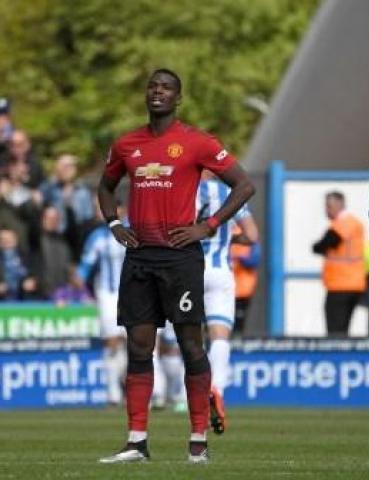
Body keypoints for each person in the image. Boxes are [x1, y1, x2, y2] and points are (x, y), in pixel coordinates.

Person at [97, 69, 255, 464]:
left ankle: (198, 441)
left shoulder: (196, 142)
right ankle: (136, 441)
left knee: (189, 344)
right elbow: (104, 186)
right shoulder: (126, 144)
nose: (157, 92)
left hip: (181, 258)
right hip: (140, 257)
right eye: (152, 86)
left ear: (177, 98)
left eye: (166, 88)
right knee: (139, 347)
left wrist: (208, 225)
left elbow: (244, 184)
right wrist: (115, 223)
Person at [195, 171, 258, 417]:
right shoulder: (229, 194)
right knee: (219, 336)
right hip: (220, 273)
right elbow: (252, 236)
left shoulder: (182, 192)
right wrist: (230, 240)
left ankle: (186, 393)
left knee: (188, 337)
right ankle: (217, 388)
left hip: (189, 272)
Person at [74, 202, 128, 406]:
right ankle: (113, 392)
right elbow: (85, 266)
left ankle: (128, 388)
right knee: (112, 341)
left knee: (134, 343)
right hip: (107, 293)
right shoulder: (97, 237)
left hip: (133, 293)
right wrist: (77, 283)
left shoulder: (133, 232)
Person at [312, 191, 366, 335]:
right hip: (352, 284)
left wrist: (320, 248)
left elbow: (322, 245)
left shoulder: (344, 223)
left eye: (329, 206)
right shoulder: (352, 223)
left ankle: (336, 357)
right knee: (343, 328)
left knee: (336, 330)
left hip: (341, 284)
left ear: (340, 205)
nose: (326, 210)